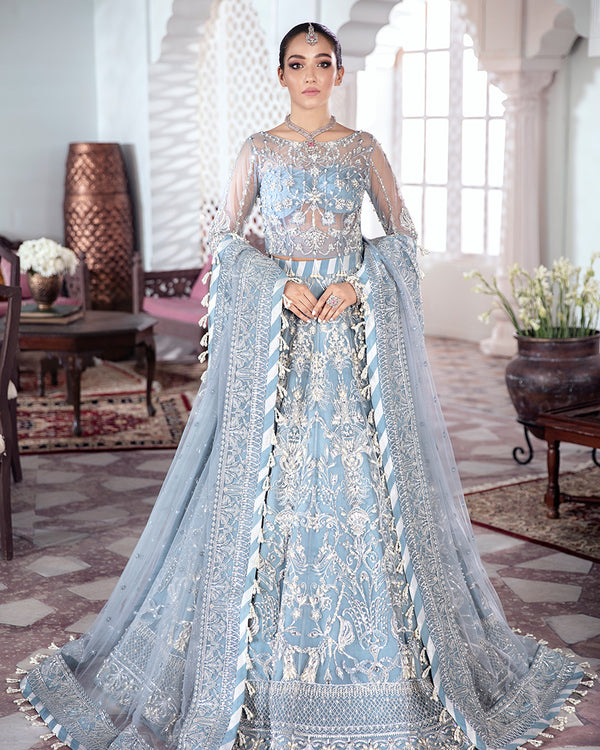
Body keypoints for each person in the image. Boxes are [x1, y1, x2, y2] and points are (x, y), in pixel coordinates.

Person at [19, 22, 590, 750]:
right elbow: (226, 241)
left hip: (351, 348)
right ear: (282, 75)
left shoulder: (364, 149)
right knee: (274, 485)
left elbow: (403, 237)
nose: (311, 74)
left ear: (339, 74)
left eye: (323, 62)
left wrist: (357, 283)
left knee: (363, 487)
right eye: (298, 63)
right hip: (280, 348)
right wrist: (277, 281)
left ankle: (385, 660)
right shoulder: (258, 150)